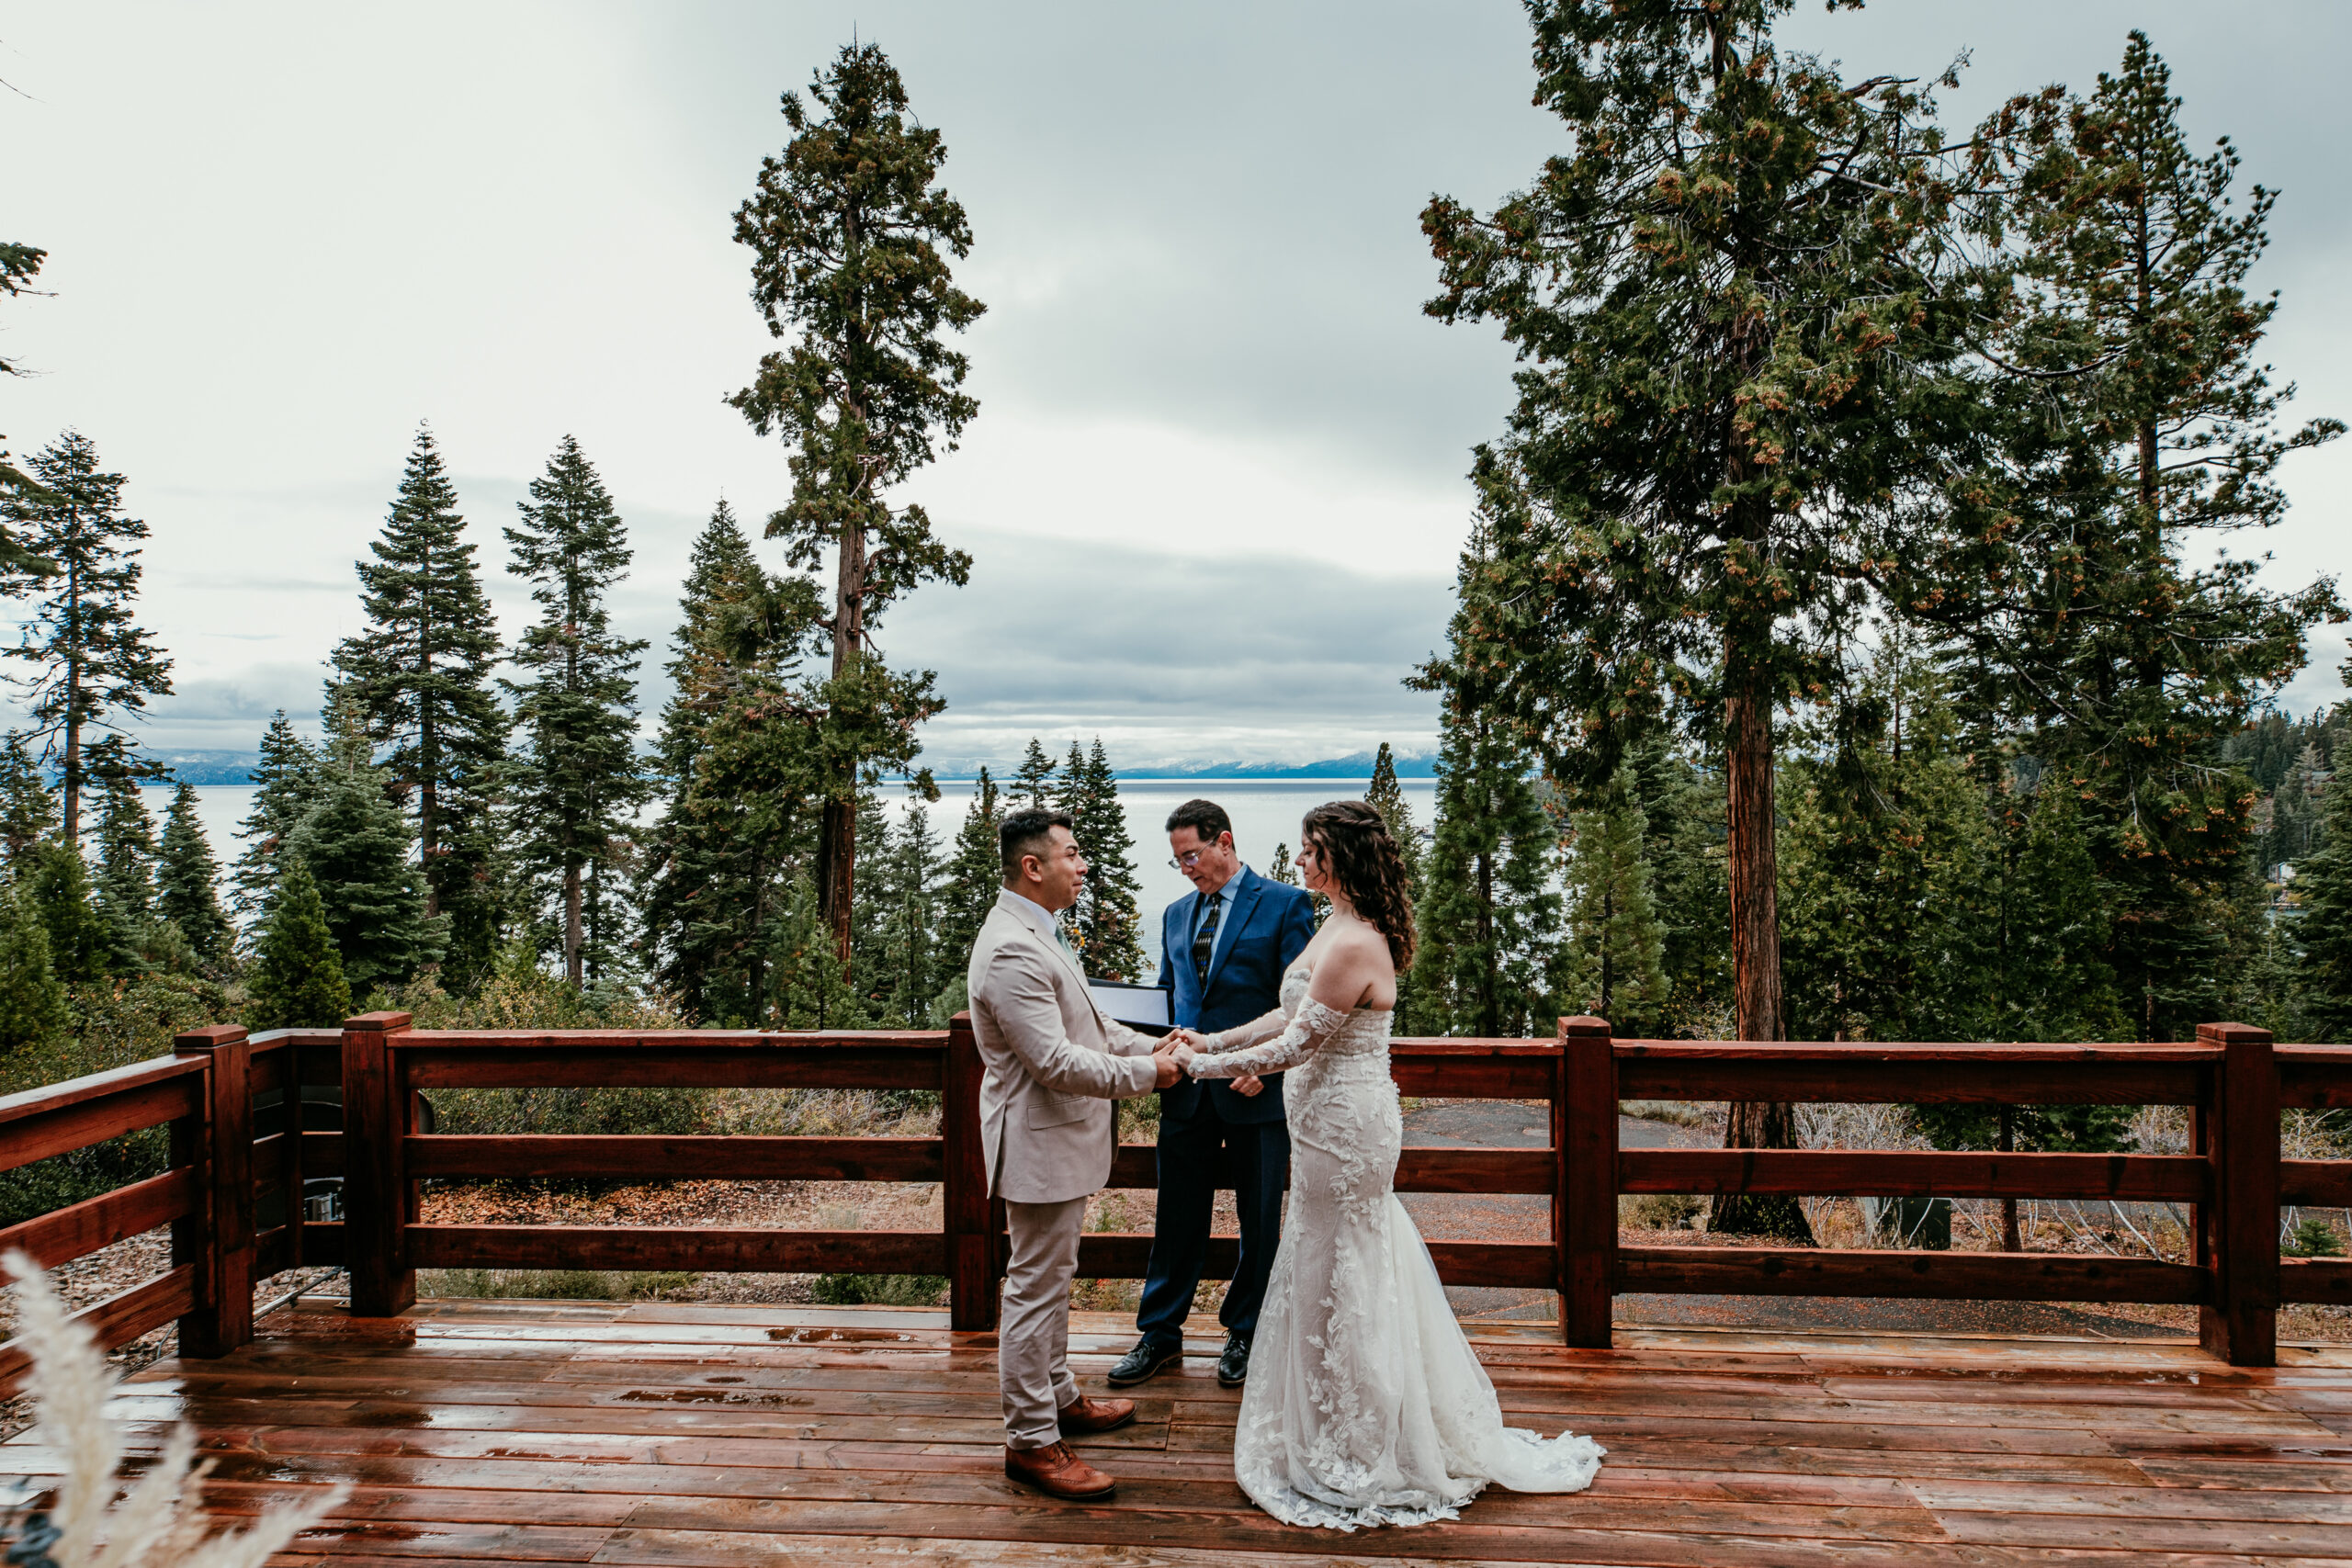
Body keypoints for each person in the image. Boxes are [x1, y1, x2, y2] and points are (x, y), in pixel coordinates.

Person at [1169, 800, 1604, 1529]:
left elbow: (1295, 1046)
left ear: (1333, 857)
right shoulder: (1330, 926)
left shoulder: (1352, 941)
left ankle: (1365, 1435)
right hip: (1321, 1128)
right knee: (1326, 1265)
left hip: (1347, 1130)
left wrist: (1193, 1068)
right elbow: (1283, 1015)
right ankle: (1339, 1417)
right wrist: (1210, 1041)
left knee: (1351, 1269)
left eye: (1308, 850)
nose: (1298, 860)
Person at [966, 806, 1188, 1501]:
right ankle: (1031, 1440)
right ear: (1034, 866)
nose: (1084, 864)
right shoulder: (1010, 949)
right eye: (1073, 854)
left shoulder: (1037, 931)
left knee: (1053, 1276)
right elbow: (1057, 1061)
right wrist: (1151, 1075)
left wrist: (1147, 1046)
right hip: (1037, 1144)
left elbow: (1088, 1024)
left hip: (1056, 1141)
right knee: (1034, 1289)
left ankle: (1059, 1396)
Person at [1112, 799, 1315, 1392]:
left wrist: (1265, 1069)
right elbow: (1171, 998)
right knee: (1175, 1218)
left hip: (1256, 1089)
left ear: (1224, 840)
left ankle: (1247, 1331)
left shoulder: (1284, 904)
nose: (1187, 869)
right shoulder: (1177, 914)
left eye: (1192, 856)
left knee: (1259, 1219)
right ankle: (1160, 1335)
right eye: (1177, 861)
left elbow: (1296, 1006)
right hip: (1185, 1091)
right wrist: (1150, 1051)